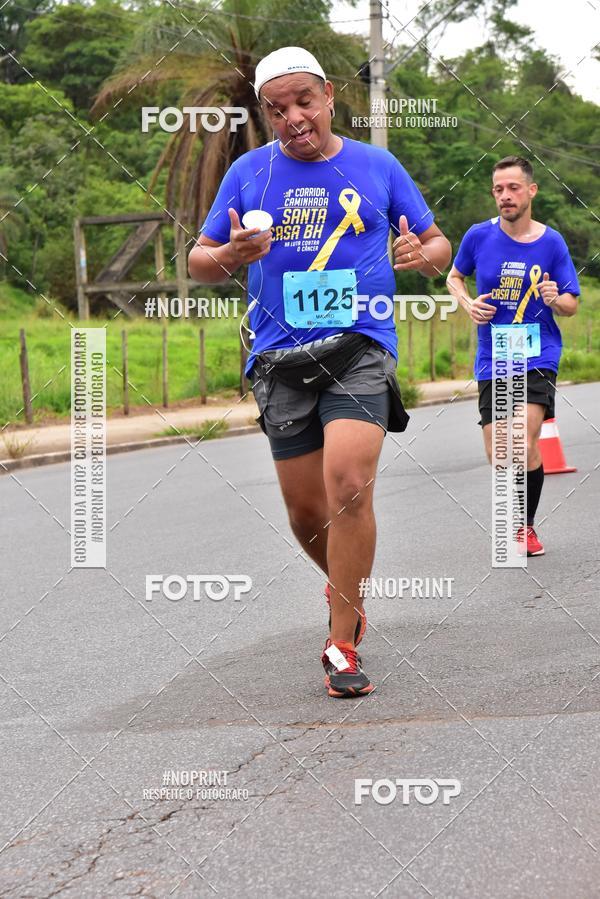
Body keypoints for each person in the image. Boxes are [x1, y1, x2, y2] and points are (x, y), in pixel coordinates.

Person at [188, 46, 451, 696]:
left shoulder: (377, 164)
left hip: (360, 344)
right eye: (277, 109)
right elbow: (198, 260)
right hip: (278, 358)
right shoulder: (250, 173)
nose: (294, 117)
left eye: (304, 101)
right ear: (265, 114)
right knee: (307, 512)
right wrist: (227, 253)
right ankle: (350, 597)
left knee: (349, 481)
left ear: (329, 95)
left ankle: (340, 642)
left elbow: (437, 240)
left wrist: (421, 252)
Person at [446, 156, 579, 557]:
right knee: (500, 451)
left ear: (531, 191)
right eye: (499, 189)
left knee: (520, 440)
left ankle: (524, 528)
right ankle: (520, 520)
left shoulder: (551, 242)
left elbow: (572, 304)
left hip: (539, 354)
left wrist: (557, 300)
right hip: (494, 356)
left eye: (513, 188)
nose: (505, 196)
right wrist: (467, 303)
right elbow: (455, 277)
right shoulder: (477, 236)